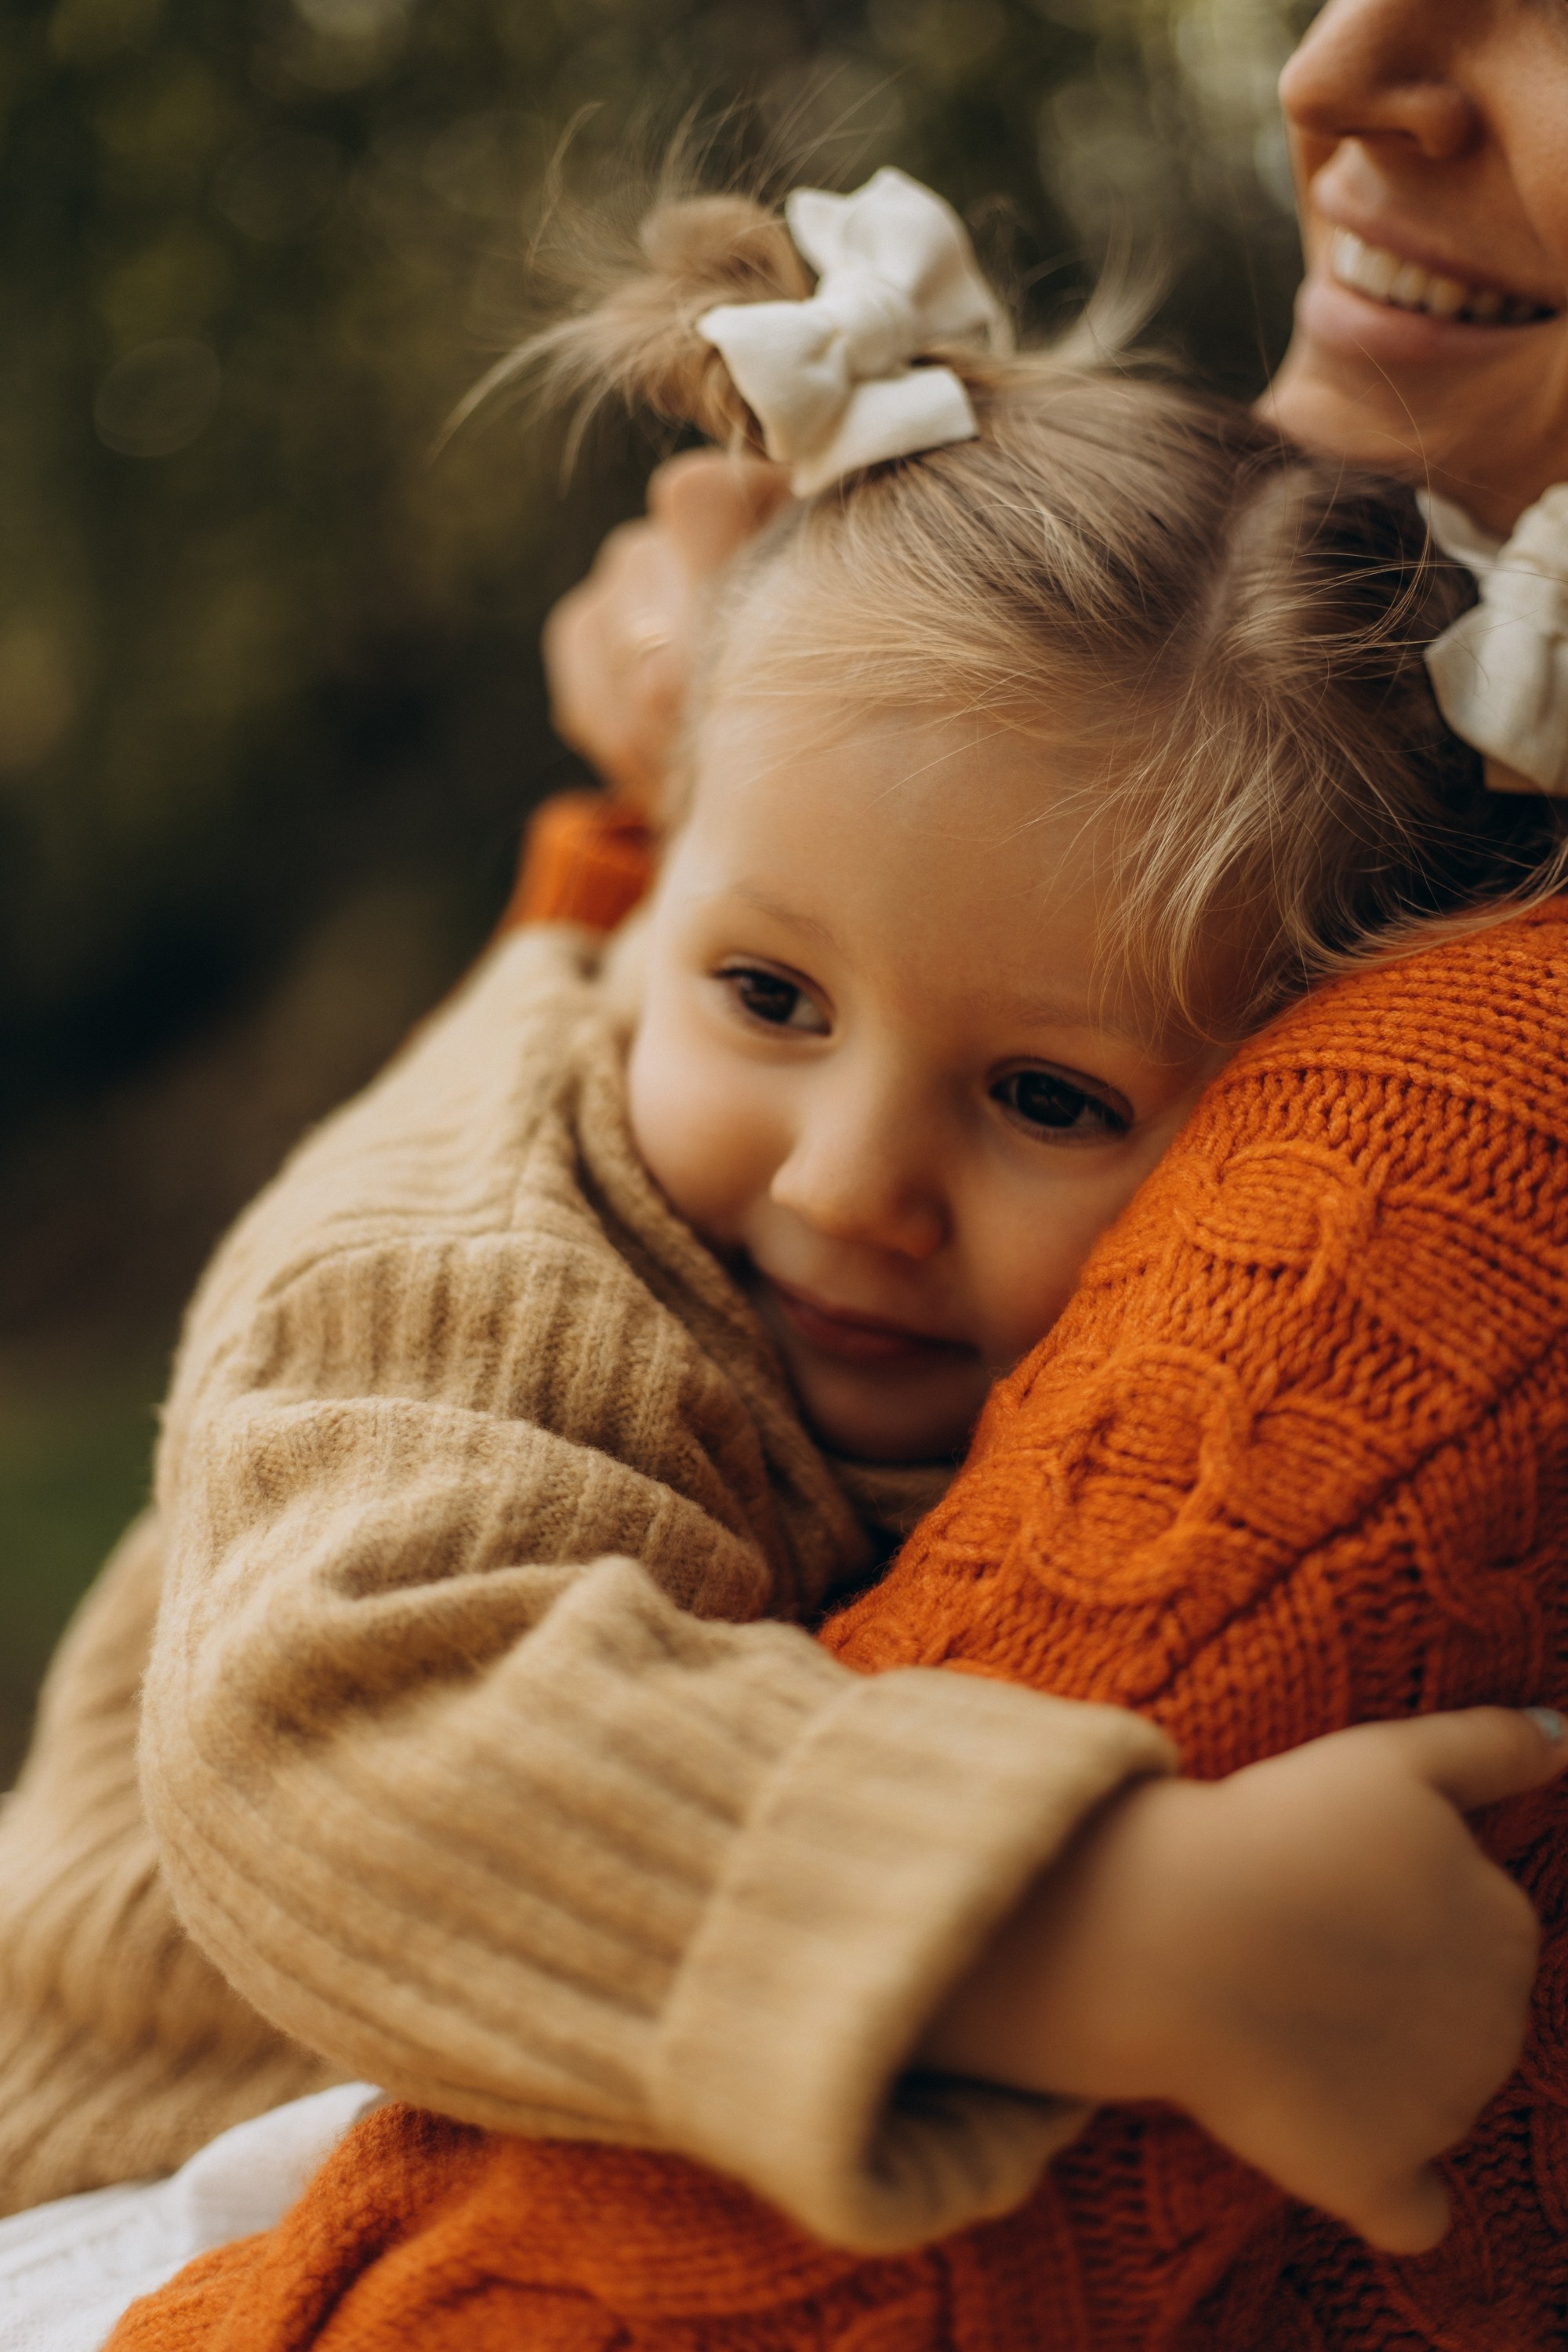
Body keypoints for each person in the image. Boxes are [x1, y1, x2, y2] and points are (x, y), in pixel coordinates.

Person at [0, 0, 1561, 2305]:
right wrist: (1081, 1928)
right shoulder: (472, 1256)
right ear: (673, 863)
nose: (847, 1182)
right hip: (130, 2191)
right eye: (770, 997)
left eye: (1050, 1100)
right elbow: (346, 1734)